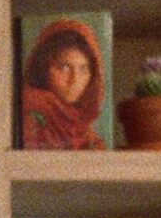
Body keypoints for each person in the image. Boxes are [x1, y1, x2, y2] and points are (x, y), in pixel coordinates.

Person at [20, 18, 107, 150]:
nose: (75, 80)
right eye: (64, 67)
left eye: (83, 69)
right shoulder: (31, 113)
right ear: (43, 68)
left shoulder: (86, 132)